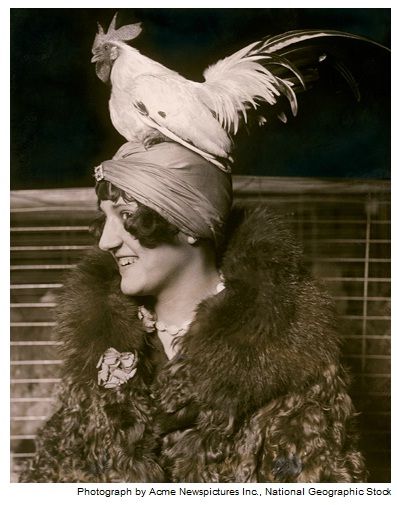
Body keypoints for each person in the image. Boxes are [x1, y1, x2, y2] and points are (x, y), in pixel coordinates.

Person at [19, 140, 366, 483]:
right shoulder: (98, 351)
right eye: (105, 218)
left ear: (188, 224)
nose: (106, 241)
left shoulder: (291, 364)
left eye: (127, 216)